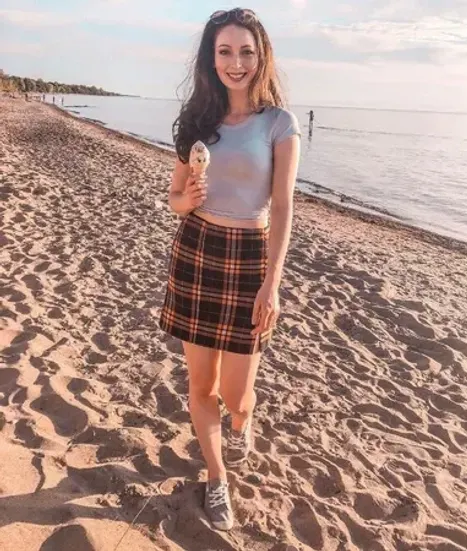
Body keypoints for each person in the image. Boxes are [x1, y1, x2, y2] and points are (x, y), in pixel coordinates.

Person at [159, 7, 301, 531]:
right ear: (210, 57)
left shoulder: (281, 124)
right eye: (224, 51)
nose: (235, 62)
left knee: (238, 395)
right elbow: (175, 197)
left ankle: (243, 424)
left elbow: (283, 207)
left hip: (249, 259)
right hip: (197, 251)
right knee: (202, 386)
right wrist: (186, 197)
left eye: (245, 51)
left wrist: (273, 284)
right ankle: (217, 479)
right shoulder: (196, 120)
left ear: (261, 55)